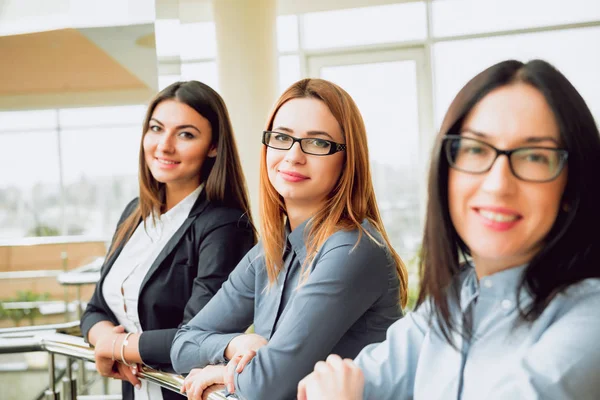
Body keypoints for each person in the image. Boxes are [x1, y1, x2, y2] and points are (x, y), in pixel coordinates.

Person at [297, 59, 600, 400]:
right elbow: (338, 383)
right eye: (475, 149)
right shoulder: (457, 295)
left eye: (533, 156)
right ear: (446, 172)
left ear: (572, 188)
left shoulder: (589, 323)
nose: (498, 184)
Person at [170, 78, 409, 400]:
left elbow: (267, 385)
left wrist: (221, 373)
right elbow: (184, 344)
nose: (293, 156)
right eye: (282, 137)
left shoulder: (351, 249)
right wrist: (234, 344)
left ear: (347, 159)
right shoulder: (271, 250)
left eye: (318, 143)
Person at [80, 81, 256, 400]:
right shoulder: (135, 213)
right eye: (156, 129)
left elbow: (200, 337)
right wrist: (103, 337)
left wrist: (117, 346)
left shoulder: (226, 225)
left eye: (186, 134)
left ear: (214, 146)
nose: (164, 146)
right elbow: (95, 308)